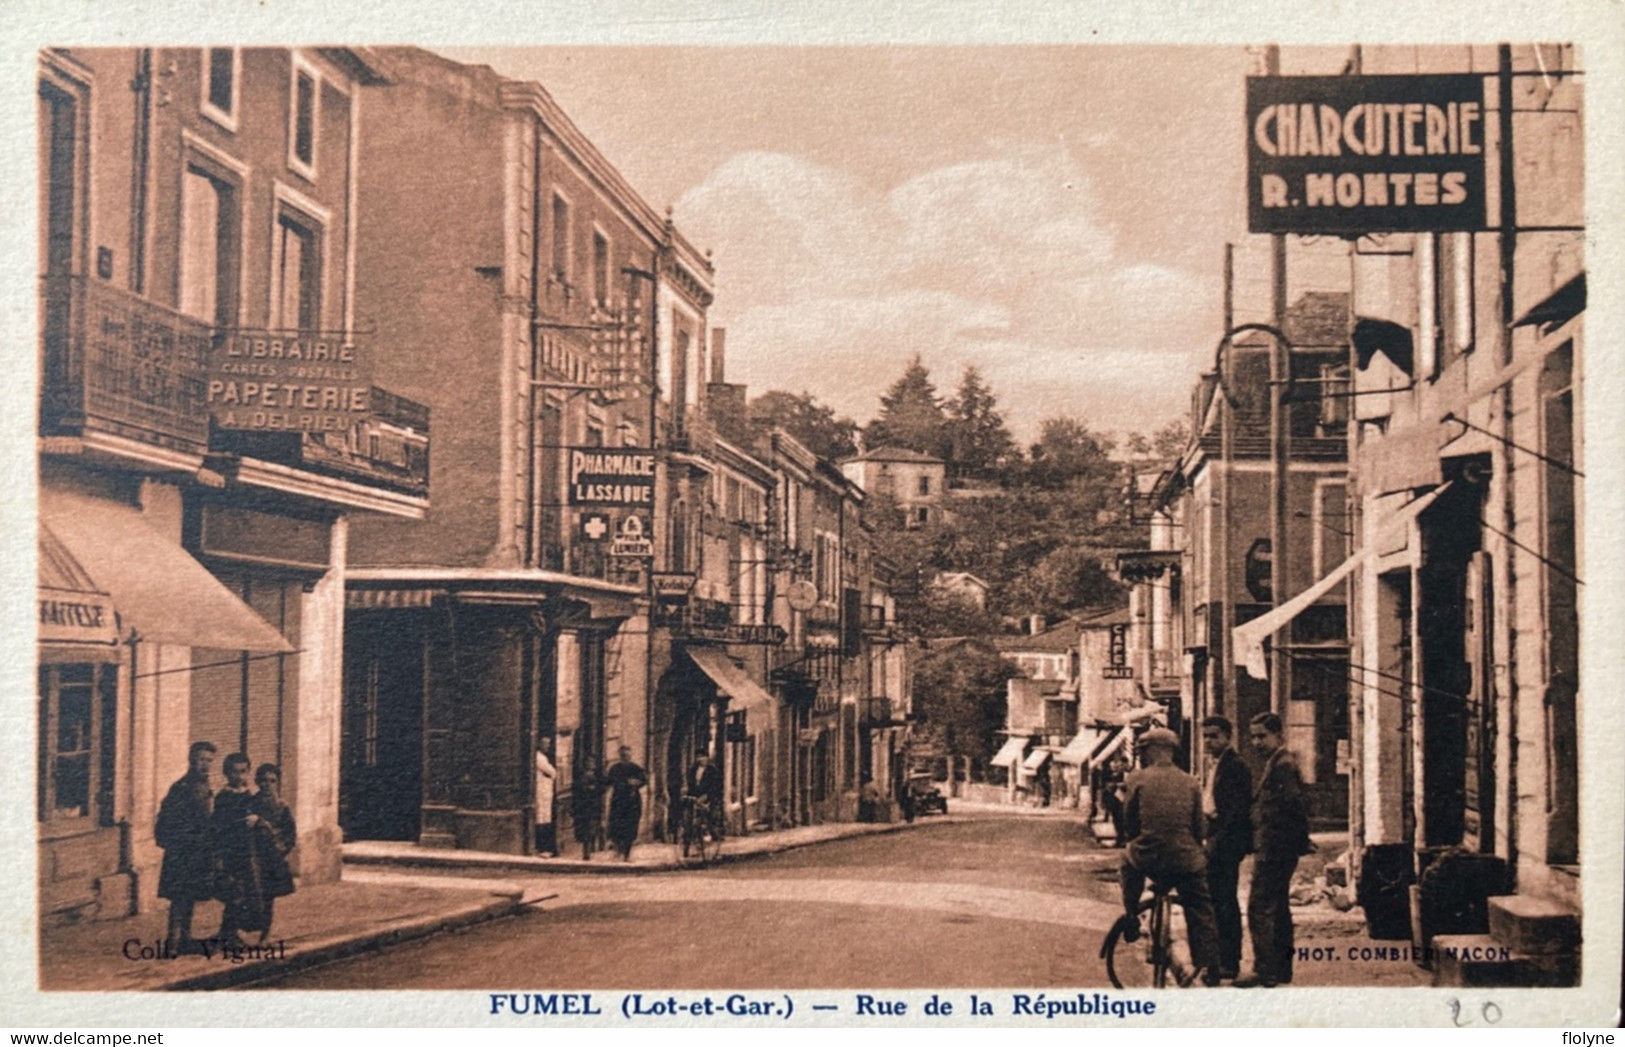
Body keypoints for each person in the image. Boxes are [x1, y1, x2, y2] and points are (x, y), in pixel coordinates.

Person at [1116, 727, 1221, 986]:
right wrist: (1193, 851)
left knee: (1127, 864)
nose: (1142, 756)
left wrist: (1139, 842)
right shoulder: (1190, 781)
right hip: (1186, 859)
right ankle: (1210, 964)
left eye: (1143, 751)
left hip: (1148, 857)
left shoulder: (1136, 780)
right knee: (1200, 907)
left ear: (1153, 750)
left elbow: (1130, 824)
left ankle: (1131, 916)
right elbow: (1200, 828)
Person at [1235, 712, 1313, 988]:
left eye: (1262, 736)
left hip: (1274, 847)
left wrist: (1285, 843)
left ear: (1279, 735)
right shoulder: (1278, 762)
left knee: (1260, 907)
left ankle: (1264, 969)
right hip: (1276, 846)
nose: (1257, 742)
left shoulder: (1282, 765)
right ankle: (1280, 970)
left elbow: (1292, 808)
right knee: (1278, 908)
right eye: (1253, 737)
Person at [1200, 715, 1254, 983]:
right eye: (1205, 736)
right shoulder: (1217, 764)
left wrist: (1216, 844)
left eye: (1214, 736)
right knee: (1218, 900)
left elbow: (1235, 813)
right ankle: (1222, 958)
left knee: (1224, 902)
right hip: (1216, 837)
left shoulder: (1235, 766)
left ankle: (1229, 961)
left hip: (1227, 842)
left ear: (1227, 737)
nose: (1209, 741)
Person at [155, 741, 217, 955]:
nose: (205, 765)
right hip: (182, 850)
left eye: (209, 760)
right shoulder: (181, 787)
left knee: (190, 894)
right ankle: (172, 942)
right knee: (179, 897)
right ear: (191, 760)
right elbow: (169, 819)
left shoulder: (204, 784)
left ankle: (185, 938)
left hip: (197, 850)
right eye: (201, 760)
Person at [211, 752, 262, 945]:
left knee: (245, 891)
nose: (239, 776)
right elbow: (219, 824)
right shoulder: (224, 797)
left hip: (247, 849)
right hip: (231, 849)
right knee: (235, 891)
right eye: (234, 772)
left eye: (243, 772)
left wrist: (255, 819)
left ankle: (229, 931)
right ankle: (228, 933)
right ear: (226, 774)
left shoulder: (249, 794)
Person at [246, 764, 297, 943]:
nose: (267, 785)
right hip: (252, 856)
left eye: (272, 781)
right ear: (257, 782)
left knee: (268, 898)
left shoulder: (282, 807)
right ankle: (246, 931)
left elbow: (290, 835)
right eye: (264, 781)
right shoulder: (250, 803)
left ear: (277, 783)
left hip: (271, 858)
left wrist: (280, 850)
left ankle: (264, 935)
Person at [603, 746, 648, 861]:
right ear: (620, 756)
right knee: (617, 826)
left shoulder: (636, 768)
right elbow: (608, 781)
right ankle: (618, 850)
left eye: (628, 756)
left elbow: (644, 780)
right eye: (623, 756)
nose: (626, 758)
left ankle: (627, 853)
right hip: (618, 800)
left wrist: (636, 783)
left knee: (631, 826)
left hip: (632, 801)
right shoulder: (614, 768)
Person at [684, 751, 724, 835]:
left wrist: (707, 795)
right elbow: (690, 782)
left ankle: (712, 831)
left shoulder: (713, 770)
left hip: (708, 795)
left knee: (708, 814)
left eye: (703, 757)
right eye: (698, 757)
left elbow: (716, 785)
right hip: (695, 794)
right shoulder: (693, 769)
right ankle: (689, 831)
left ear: (707, 758)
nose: (701, 759)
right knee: (689, 811)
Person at [571, 762, 603, 861]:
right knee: (587, 829)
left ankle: (590, 849)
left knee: (591, 828)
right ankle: (587, 851)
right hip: (585, 806)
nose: (591, 767)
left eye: (592, 765)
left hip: (592, 806)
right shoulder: (582, 778)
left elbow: (601, 789)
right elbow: (577, 790)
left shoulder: (596, 777)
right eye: (589, 765)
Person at [534, 739, 558, 857]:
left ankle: (543, 847)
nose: (548, 746)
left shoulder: (542, 757)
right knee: (542, 819)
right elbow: (552, 772)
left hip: (545, 793)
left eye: (549, 743)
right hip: (541, 793)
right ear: (539, 744)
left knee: (544, 819)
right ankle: (542, 847)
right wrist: (552, 773)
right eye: (545, 744)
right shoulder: (539, 758)